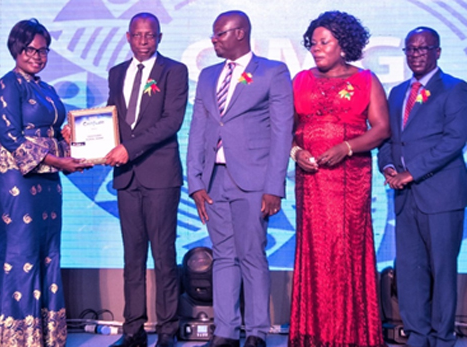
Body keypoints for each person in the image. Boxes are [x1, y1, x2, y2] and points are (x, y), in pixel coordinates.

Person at [0, 19, 90, 347]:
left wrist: (75, 150)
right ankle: (12, 338)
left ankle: (44, 335)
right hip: (14, 174)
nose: (37, 56)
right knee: (19, 249)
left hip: (47, 178)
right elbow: (11, 137)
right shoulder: (7, 85)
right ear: (16, 49)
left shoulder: (46, 89)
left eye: (43, 50)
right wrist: (58, 160)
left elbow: (53, 134)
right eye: (30, 49)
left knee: (47, 250)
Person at [186, 10, 293, 347]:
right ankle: (226, 331)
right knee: (224, 254)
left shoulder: (273, 72)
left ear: (241, 33)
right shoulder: (207, 75)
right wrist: (196, 182)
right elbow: (198, 128)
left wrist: (274, 187)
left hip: (254, 179)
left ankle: (257, 331)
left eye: (220, 34)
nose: (214, 40)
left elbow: (281, 132)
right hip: (214, 179)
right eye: (214, 34)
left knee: (252, 254)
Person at [287, 11, 389, 347]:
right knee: (315, 254)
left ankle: (350, 336)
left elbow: (382, 129)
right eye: (313, 42)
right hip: (312, 182)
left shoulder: (365, 80)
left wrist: (347, 147)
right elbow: (284, 131)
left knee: (344, 253)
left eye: (324, 42)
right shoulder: (299, 80)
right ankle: (313, 334)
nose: (316, 48)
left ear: (343, 45)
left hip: (349, 182)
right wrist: (295, 153)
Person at [102, 12, 188, 347]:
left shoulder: (174, 71)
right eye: (137, 35)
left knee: (164, 255)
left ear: (159, 38)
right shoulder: (117, 73)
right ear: (127, 37)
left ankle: (167, 330)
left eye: (149, 35)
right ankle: (133, 330)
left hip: (161, 175)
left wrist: (129, 148)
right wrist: (79, 135)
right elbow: (110, 118)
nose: (143, 41)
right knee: (131, 256)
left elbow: (172, 122)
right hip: (127, 178)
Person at [378, 27, 467, 347]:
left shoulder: (456, 89)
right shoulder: (398, 92)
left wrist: (411, 172)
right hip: (405, 197)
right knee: (410, 270)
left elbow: (454, 140)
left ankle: (443, 338)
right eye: (410, 49)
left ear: (438, 52)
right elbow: (388, 139)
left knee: (442, 270)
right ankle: (416, 335)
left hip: (441, 194)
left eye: (422, 48)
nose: (415, 54)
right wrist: (388, 166)